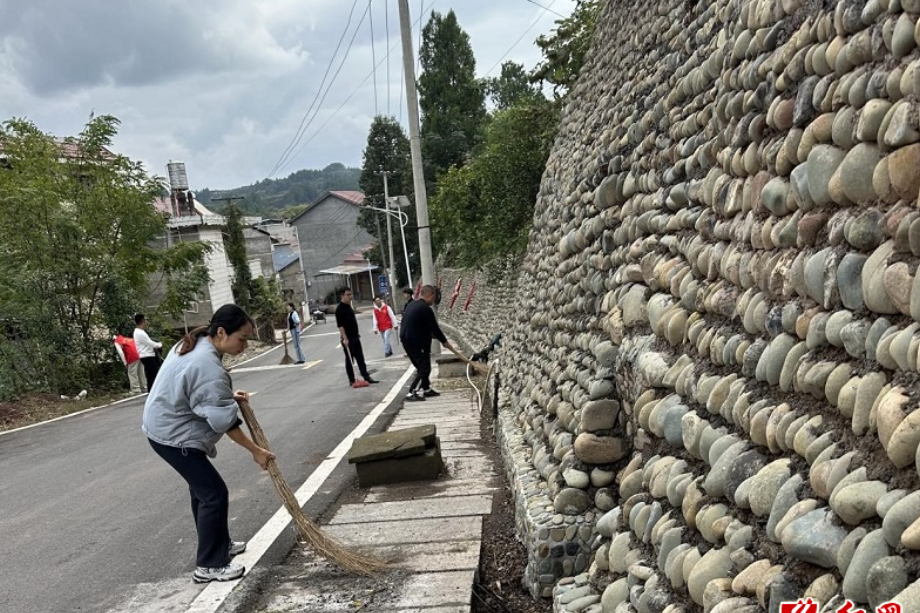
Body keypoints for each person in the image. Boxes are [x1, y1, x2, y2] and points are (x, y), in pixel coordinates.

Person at [142, 304, 275, 584]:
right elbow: (224, 421)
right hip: (173, 436)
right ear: (223, 332)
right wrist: (256, 451)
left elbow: (203, 393)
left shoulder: (199, 343)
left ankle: (219, 545)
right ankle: (209, 566)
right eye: (242, 338)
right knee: (213, 494)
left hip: (163, 425)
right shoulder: (205, 364)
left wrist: (227, 396)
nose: (245, 344)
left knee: (203, 493)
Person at [400, 284, 453, 402]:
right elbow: (435, 328)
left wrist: (435, 337)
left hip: (407, 340)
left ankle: (426, 389)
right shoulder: (425, 309)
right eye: (433, 297)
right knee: (424, 368)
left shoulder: (412, 304)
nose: (434, 300)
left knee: (423, 366)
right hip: (416, 342)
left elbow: (422, 327)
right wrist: (444, 342)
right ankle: (411, 392)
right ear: (429, 295)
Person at [335, 287, 379, 386]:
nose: (350, 297)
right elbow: (340, 325)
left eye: (351, 294)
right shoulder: (339, 309)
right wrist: (345, 338)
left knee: (360, 357)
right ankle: (352, 379)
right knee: (350, 360)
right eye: (348, 295)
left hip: (355, 336)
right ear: (342, 296)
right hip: (348, 338)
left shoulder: (349, 306)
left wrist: (356, 332)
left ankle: (366, 377)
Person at [134, 314, 163, 390]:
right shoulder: (140, 333)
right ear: (142, 321)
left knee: (152, 373)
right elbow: (150, 343)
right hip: (147, 356)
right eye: (145, 320)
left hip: (147, 355)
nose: (146, 322)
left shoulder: (140, 332)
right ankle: (152, 390)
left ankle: (152, 389)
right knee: (152, 374)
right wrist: (159, 344)